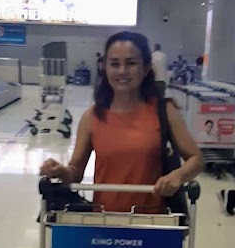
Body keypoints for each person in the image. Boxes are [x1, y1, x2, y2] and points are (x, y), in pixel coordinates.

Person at [41, 31, 203, 213]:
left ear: (146, 68)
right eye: (114, 64)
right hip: (104, 221)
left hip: (153, 223)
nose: (122, 71)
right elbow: (75, 172)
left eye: (131, 63)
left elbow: (196, 159)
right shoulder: (92, 117)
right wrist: (61, 171)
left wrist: (178, 175)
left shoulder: (164, 111)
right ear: (105, 68)